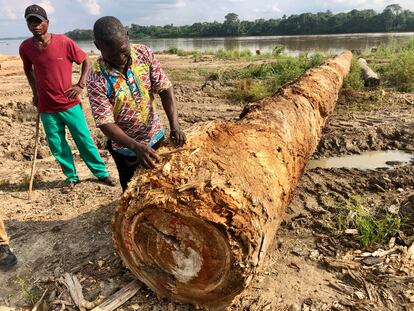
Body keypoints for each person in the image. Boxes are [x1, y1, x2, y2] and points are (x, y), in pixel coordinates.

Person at [19, 4, 115, 192]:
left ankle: (101, 173)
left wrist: (80, 85)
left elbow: (85, 60)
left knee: (83, 139)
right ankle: (71, 177)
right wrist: (35, 93)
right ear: (27, 24)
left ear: (47, 23)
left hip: (69, 104)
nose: (35, 25)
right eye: (31, 22)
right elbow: (27, 70)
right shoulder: (25, 48)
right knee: (57, 145)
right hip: (46, 107)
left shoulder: (64, 42)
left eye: (38, 21)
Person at [87, 16, 186, 191]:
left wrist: (175, 125)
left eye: (123, 51)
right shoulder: (96, 77)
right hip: (126, 151)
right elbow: (105, 122)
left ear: (127, 35)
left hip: (156, 138)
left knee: (163, 188)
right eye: (111, 54)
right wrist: (135, 147)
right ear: (97, 46)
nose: (119, 58)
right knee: (133, 192)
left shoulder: (144, 54)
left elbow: (165, 88)